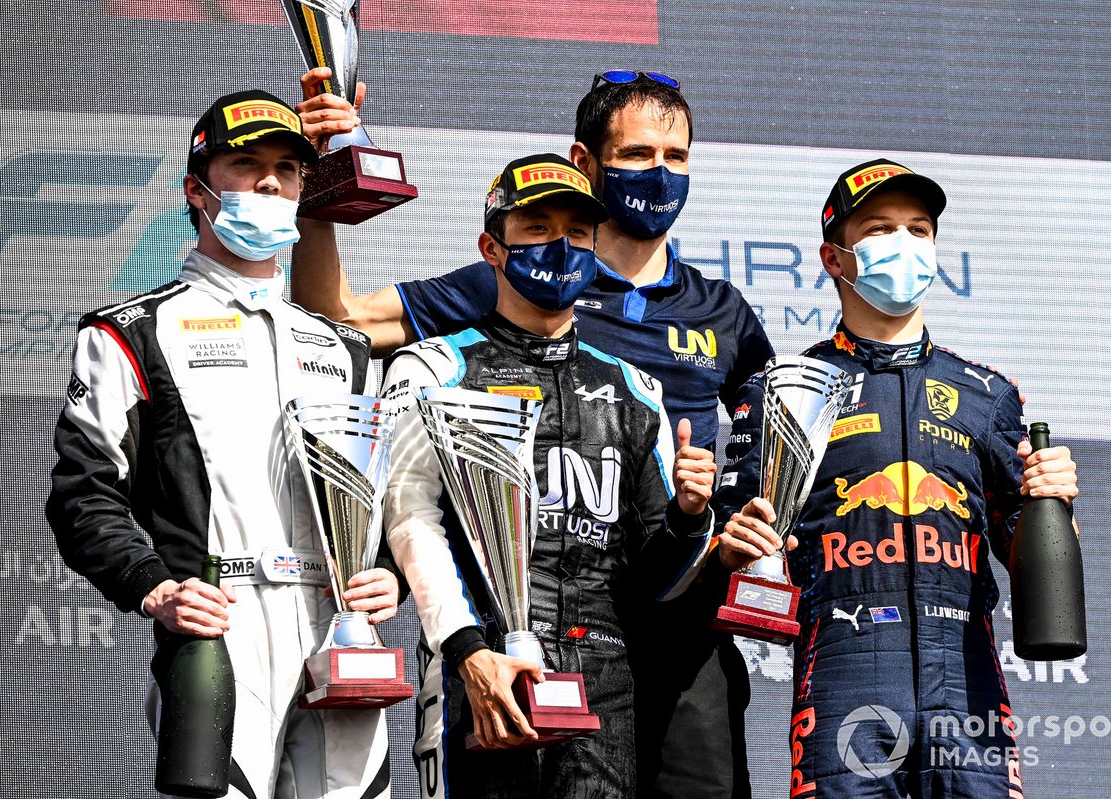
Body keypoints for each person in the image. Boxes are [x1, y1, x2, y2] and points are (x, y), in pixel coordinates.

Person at [292, 68, 770, 797]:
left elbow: (767, 450)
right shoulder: (511, 284)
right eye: (639, 155)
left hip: (675, 611)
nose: (660, 173)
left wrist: (725, 526)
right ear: (588, 162)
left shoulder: (723, 309)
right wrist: (320, 175)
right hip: (531, 615)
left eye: (676, 158)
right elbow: (341, 319)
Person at [45, 89, 400, 799]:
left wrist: (385, 566)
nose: (270, 182)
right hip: (219, 627)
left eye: (287, 169)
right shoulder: (129, 333)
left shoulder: (346, 347)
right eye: (246, 164)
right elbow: (84, 495)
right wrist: (154, 587)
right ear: (197, 189)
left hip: (339, 632)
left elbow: (375, 494)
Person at [710, 159, 1081, 798]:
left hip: (967, 682)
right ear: (835, 257)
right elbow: (730, 551)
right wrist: (736, 543)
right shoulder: (784, 393)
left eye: (920, 229)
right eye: (880, 228)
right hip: (843, 673)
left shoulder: (986, 395)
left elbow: (1029, 558)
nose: (904, 244)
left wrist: (1053, 502)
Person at [381, 152, 718, 798]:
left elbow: (658, 578)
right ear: (492, 246)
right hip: (477, 673)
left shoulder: (633, 388)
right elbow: (410, 524)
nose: (561, 245)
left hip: (602, 688)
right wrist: (467, 652)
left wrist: (688, 517)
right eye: (537, 227)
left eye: (578, 230)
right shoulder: (433, 370)